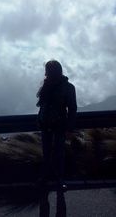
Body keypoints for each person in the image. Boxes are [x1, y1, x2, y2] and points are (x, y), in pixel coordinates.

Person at [37, 60, 77, 189]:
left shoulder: (67, 87)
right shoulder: (48, 85)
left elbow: (72, 108)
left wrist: (70, 128)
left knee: (58, 152)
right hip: (46, 124)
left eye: (47, 70)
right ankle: (49, 178)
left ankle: (59, 179)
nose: (45, 73)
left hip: (59, 125)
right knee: (47, 152)